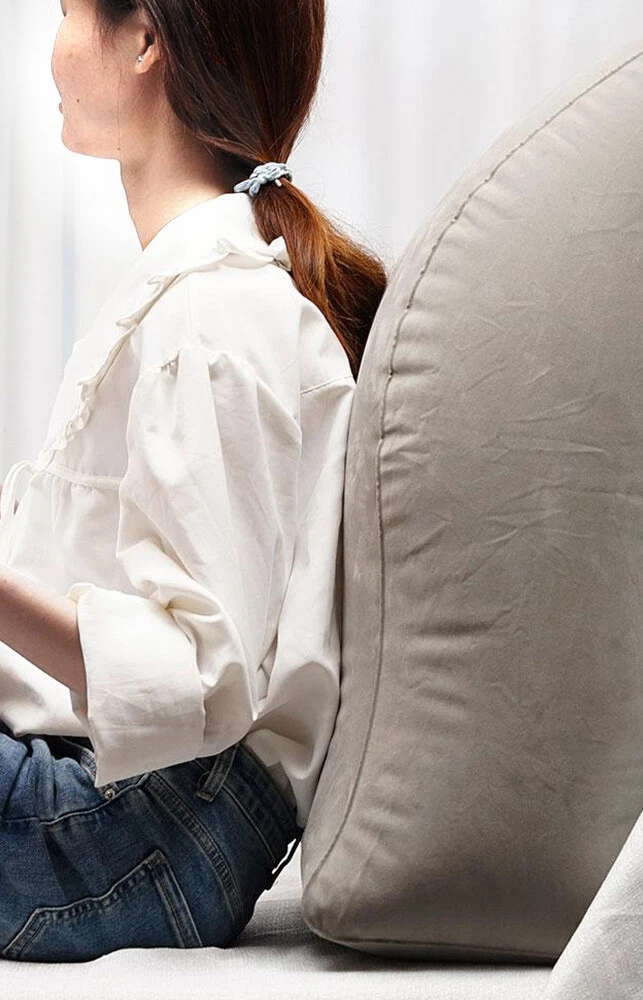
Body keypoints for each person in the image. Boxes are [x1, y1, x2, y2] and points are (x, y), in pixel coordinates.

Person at [0, 0, 386, 963]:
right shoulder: (200, 300)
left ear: (144, 40)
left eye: (66, 11)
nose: (51, 45)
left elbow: (198, 679)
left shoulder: (213, 320)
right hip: (144, 810)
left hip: (148, 828)